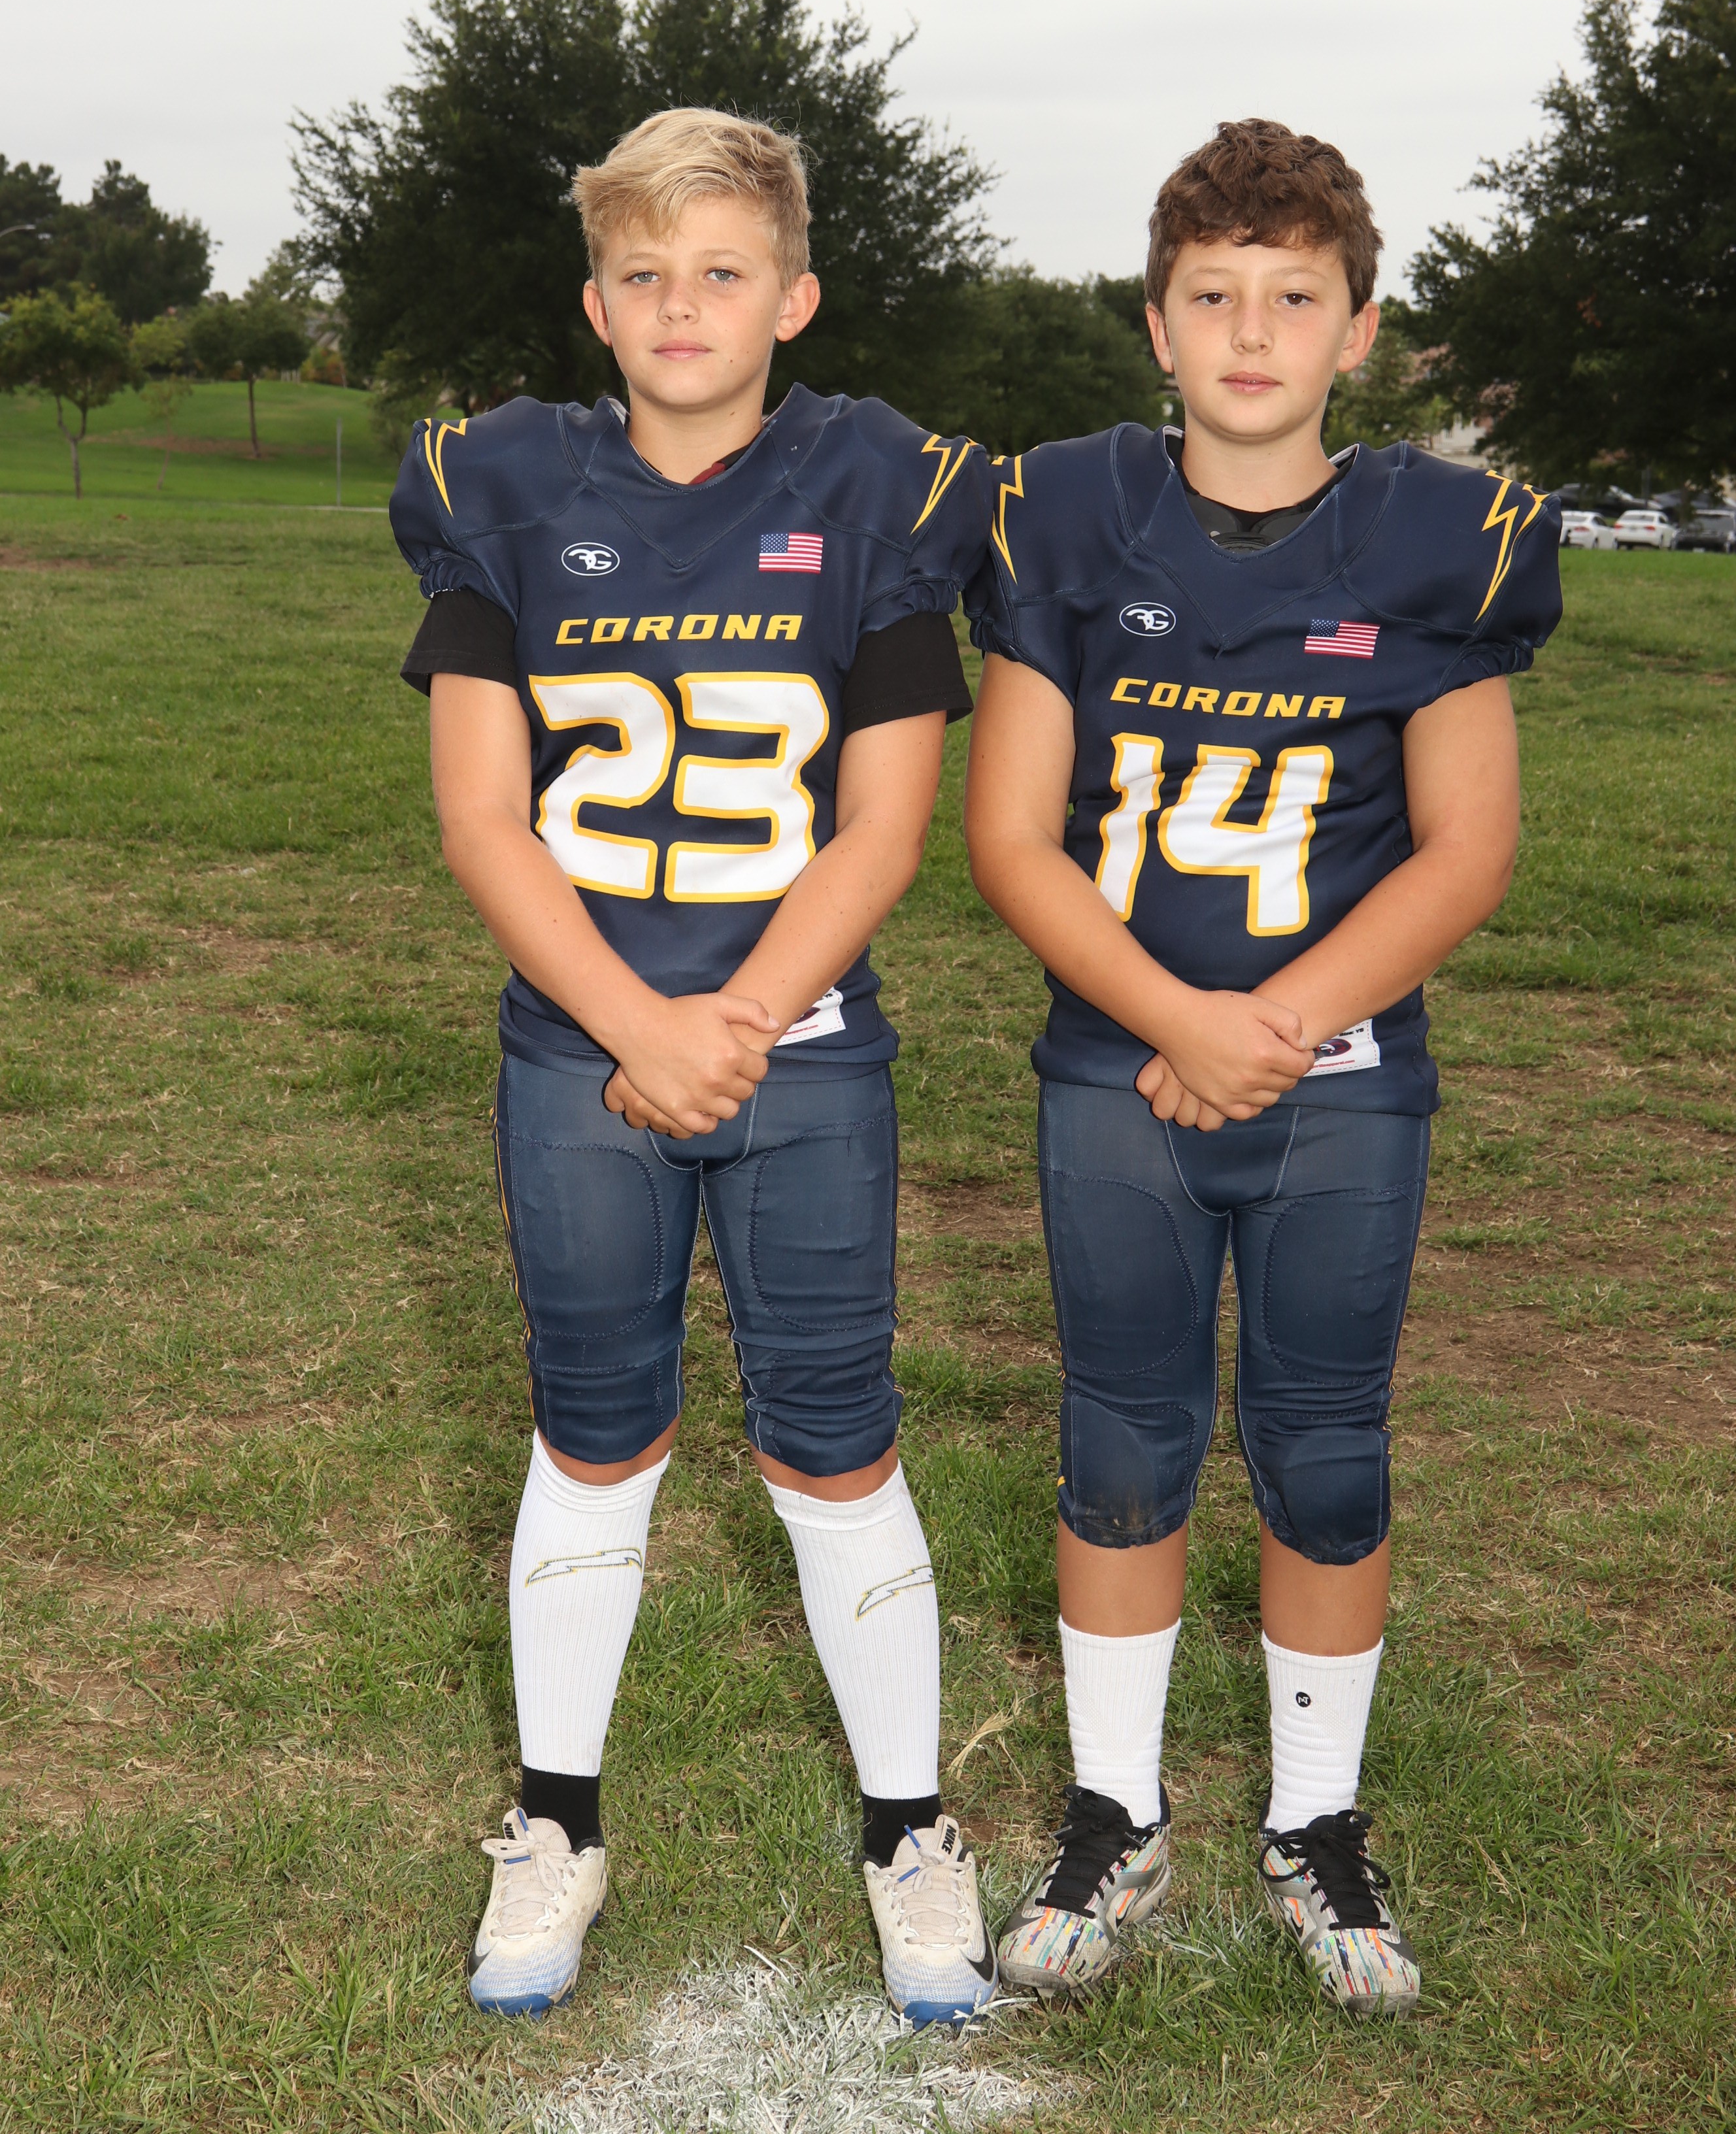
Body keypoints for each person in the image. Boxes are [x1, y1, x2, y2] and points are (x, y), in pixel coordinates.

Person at [389, 108, 997, 2025]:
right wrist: (638, 1024)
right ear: (596, 303)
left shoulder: (875, 487)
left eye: (722, 270)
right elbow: (484, 818)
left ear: (793, 298)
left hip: (798, 1054)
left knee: (836, 1431)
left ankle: (909, 1828)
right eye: (642, 272)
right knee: (593, 1428)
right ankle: (556, 1820)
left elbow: (885, 825)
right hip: (584, 1049)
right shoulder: (503, 489)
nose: (681, 304)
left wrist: (728, 1024)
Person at [963, 119, 1560, 2018]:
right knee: (1123, 1435)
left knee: (1324, 1442)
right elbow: (1008, 836)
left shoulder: (1439, 541)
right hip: (1117, 1070)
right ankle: (1114, 1811)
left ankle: (1316, 1821)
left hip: (1340, 1079)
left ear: (1358, 330)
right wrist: (1179, 1020)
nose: (1249, 331)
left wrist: (1266, 1027)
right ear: (1155, 323)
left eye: (1293, 297)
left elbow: (1468, 848)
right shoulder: (1066, 519)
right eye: (1212, 295)